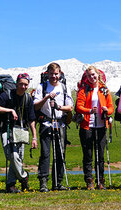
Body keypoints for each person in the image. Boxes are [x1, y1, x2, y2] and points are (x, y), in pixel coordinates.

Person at [0, 73, 38, 193]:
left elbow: (32, 119)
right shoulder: (6, 94)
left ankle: (10, 185)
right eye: (21, 84)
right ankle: (24, 177)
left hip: (21, 131)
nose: (23, 86)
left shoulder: (28, 98)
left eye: (25, 84)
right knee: (12, 156)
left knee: (18, 158)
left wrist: (34, 137)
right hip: (6, 129)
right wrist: (10, 110)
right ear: (16, 83)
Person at [33, 62, 73, 192]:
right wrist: (46, 98)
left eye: (56, 74)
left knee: (60, 153)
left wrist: (58, 107)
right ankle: (43, 182)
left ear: (60, 74)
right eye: (51, 74)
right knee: (45, 154)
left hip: (60, 123)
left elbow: (70, 107)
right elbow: (35, 106)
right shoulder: (42, 87)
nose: (54, 76)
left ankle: (58, 182)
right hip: (46, 123)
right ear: (47, 74)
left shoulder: (64, 88)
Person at [75, 66, 114, 190]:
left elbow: (111, 107)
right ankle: (89, 181)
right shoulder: (83, 90)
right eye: (89, 75)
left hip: (101, 125)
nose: (92, 77)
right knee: (88, 155)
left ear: (98, 75)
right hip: (87, 125)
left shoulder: (104, 90)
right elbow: (78, 107)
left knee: (100, 155)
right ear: (87, 77)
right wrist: (90, 111)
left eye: (94, 75)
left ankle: (100, 180)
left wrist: (107, 111)